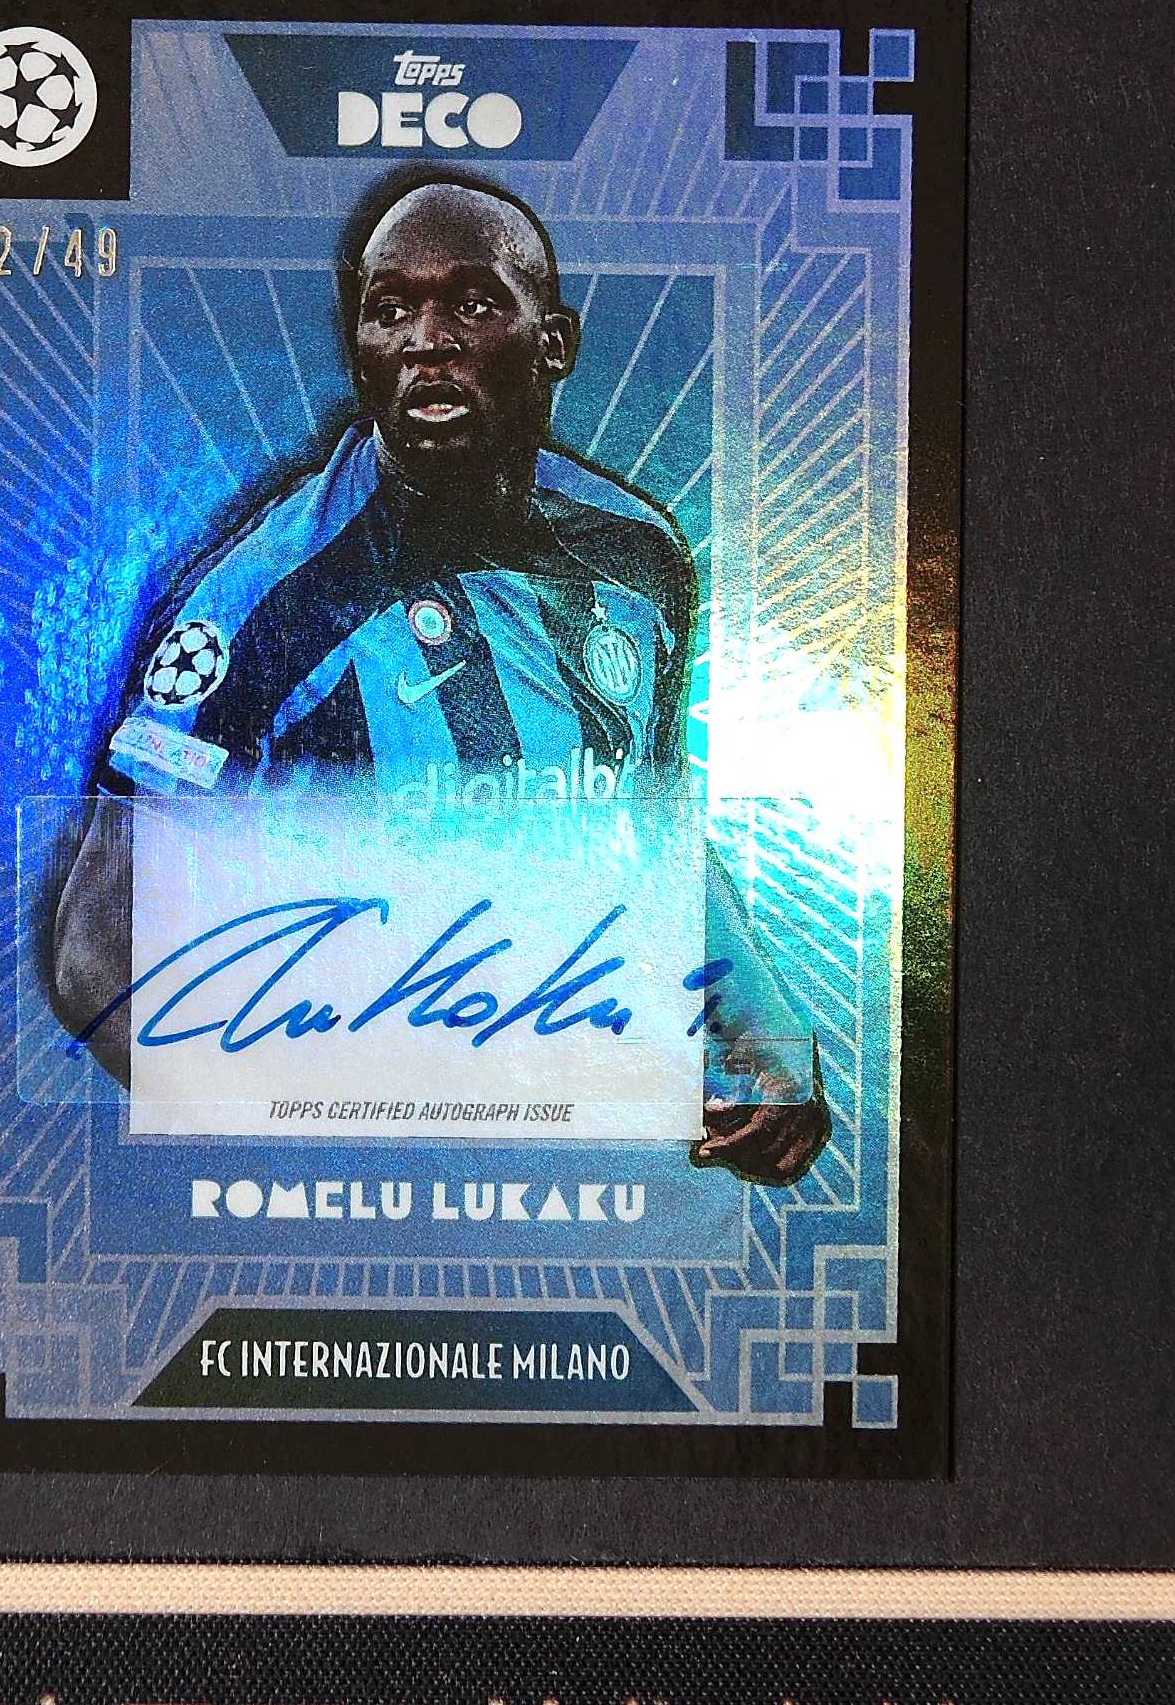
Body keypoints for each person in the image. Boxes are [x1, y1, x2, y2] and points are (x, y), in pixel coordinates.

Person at [51, 174, 828, 1185]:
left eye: (471, 304)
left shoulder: (638, 557)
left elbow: (655, 829)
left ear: (553, 344)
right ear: (358, 351)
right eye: (389, 311)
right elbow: (96, 954)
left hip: (581, 1146)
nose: (426, 340)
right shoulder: (258, 604)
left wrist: (768, 1037)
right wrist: (310, 1150)